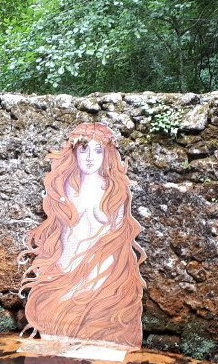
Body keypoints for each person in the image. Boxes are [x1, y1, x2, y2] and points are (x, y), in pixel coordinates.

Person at [20, 123, 147, 349]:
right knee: (58, 312)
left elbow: (116, 238)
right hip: (67, 266)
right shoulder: (63, 188)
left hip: (103, 272)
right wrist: (65, 271)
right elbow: (60, 233)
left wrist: (99, 275)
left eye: (98, 151)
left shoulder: (114, 189)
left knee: (102, 313)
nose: (90, 158)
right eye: (84, 150)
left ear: (107, 154)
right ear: (74, 153)